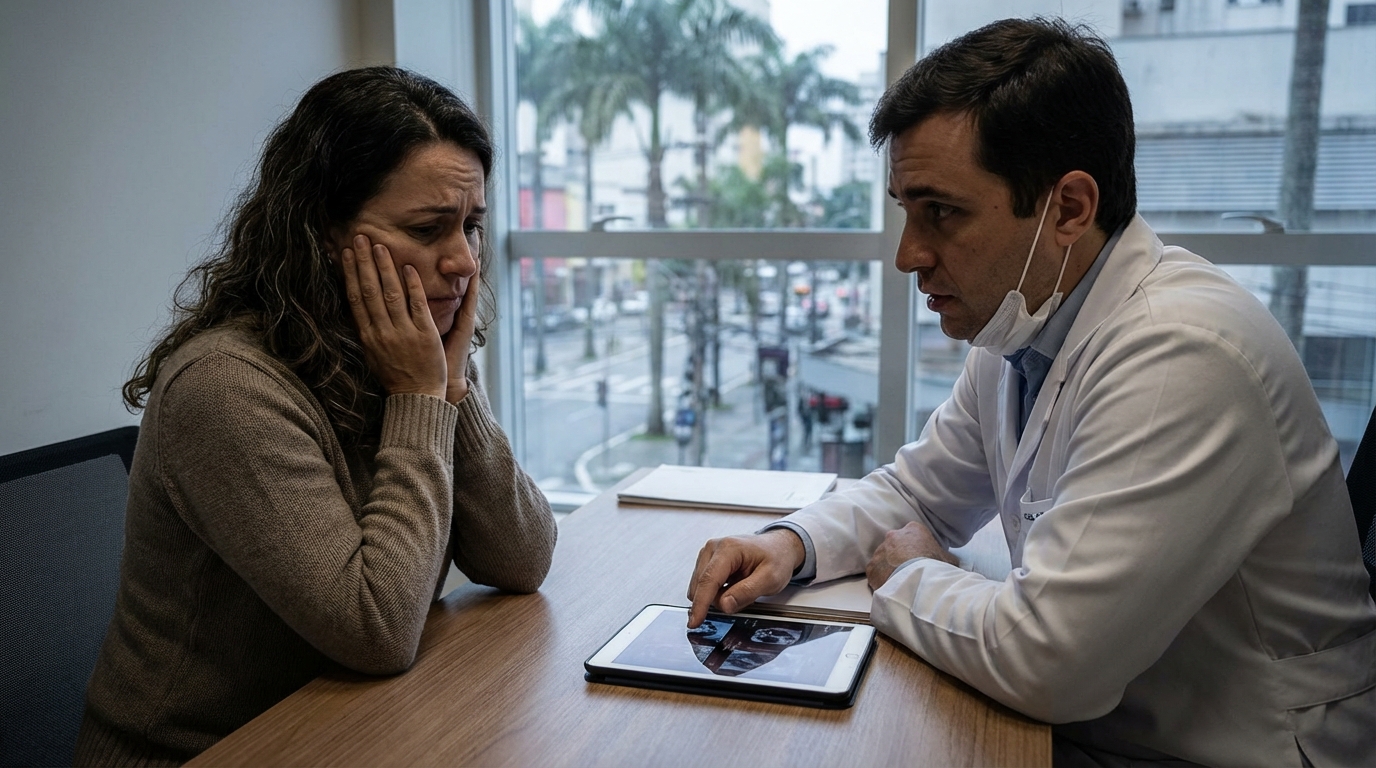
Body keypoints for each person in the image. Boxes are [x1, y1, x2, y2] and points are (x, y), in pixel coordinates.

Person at [686, 19, 1376, 767]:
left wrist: (910, 576)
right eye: (905, 212)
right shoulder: (1025, 318)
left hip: (1229, 747)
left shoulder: (1183, 352)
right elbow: (920, 495)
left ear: (1071, 208)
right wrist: (788, 544)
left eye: (941, 212)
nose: (907, 255)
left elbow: (1051, 665)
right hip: (1110, 725)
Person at [74, 67, 558, 766]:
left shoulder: (410, 356)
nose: (462, 262)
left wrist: (453, 391)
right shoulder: (225, 388)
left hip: (349, 727)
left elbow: (522, 558)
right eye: (427, 228)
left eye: (472, 226)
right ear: (324, 234)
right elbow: (377, 628)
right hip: (203, 752)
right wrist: (422, 400)